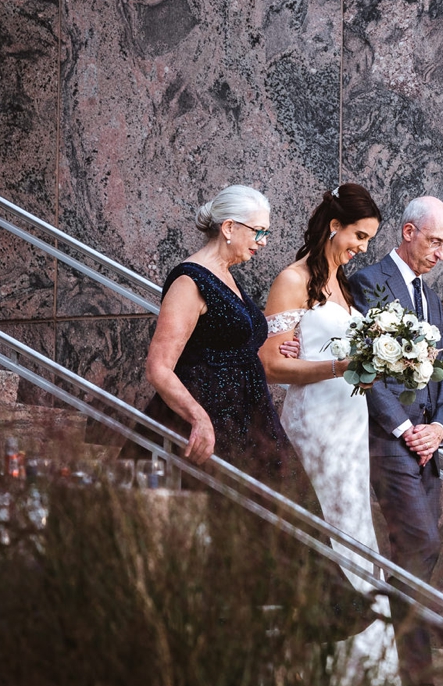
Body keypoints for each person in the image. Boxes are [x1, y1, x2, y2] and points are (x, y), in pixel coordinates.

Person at [142, 185, 372, 639]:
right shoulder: (190, 279)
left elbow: (244, 344)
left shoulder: (228, 276)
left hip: (251, 420)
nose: (263, 241)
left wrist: (272, 345)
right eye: (258, 231)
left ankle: (274, 633)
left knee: (293, 521)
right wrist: (197, 416)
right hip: (215, 425)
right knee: (236, 535)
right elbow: (160, 365)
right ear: (229, 228)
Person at [259, 185, 403, 686]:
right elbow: (272, 364)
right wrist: (341, 366)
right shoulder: (291, 280)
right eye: (360, 236)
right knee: (329, 527)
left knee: (356, 528)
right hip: (314, 423)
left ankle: (370, 673)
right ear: (333, 226)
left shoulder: (342, 287)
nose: (363, 247)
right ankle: (333, 674)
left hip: (349, 421)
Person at [346, 196, 443, 686]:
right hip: (388, 441)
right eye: (434, 242)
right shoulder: (368, 282)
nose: (440, 254)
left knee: (415, 551)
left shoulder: (429, 297)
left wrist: (439, 430)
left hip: (427, 446)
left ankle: (398, 664)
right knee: (419, 545)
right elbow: (362, 368)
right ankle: (417, 675)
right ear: (408, 232)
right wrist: (402, 429)